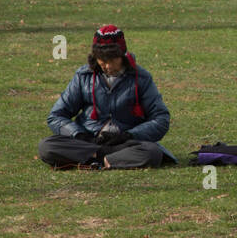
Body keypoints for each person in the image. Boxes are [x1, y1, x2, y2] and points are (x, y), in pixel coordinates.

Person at [41, 25, 175, 169]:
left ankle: (93, 160)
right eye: (103, 60)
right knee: (46, 146)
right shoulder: (83, 77)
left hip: (124, 144)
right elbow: (56, 116)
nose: (108, 66)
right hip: (88, 143)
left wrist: (129, 135)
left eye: (113, 60)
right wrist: (79, 135)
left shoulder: (141, 78)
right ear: (95, 58)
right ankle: (106, 160)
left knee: (152, 152)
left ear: (123, 55)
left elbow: (161, 118)